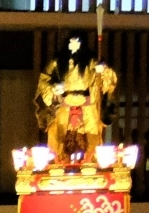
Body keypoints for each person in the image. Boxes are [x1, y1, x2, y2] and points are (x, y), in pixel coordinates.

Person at [37, 31, 118, 160]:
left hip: (87, 105)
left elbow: (108, 81)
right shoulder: (57, 61)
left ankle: (91, 163)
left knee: (92, 138)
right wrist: (53, 88)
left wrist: (103, 70)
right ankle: (58, 163)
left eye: (77, 42)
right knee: (59, 138)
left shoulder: (91, 61)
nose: (74, 45)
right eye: (71, 42)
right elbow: (44, 80)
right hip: (64, 104)